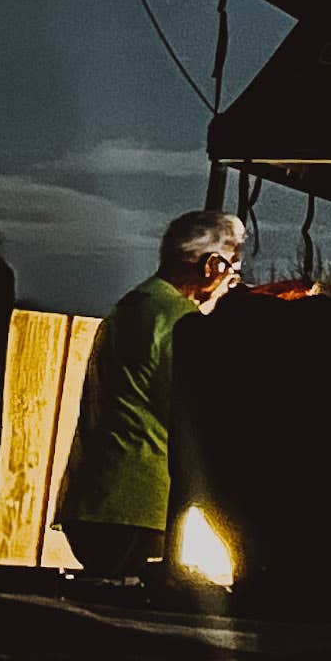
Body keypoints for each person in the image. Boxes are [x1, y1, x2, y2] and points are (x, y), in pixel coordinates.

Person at [56, 210, 241, 578]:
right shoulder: (181, 323)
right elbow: (193, 409)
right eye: (232, 271)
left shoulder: (129, 307)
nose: (230, 282)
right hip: (142, 504)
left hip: (92, 498)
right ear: (212, 265)